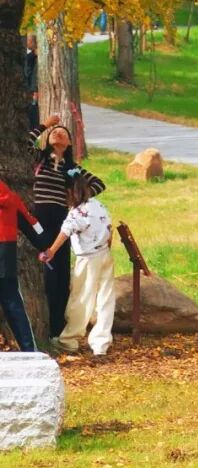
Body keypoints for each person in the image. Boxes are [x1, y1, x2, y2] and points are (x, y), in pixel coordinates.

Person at [29, 118, 106, 343]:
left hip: (62, 220)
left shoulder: (72, 169)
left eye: (64, 133)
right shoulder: (39, 159)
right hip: (39, 217)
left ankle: (57, 327)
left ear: (70, 142)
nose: (59, 134)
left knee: (60, 272)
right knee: (40, 266)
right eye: (55, 132)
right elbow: (25, 143)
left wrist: (77, 198)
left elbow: (99, 184)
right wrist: (45, 125)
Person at [39, 178, 116, 358]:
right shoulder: (99, 205)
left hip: (87, 259)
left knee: (81, 298)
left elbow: (65, 233)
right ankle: (101, 343)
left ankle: (69, 340)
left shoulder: (77, 212)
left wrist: (50, 251)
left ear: (69, 193)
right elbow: (109, 231)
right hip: (105, 255)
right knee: (105, 299)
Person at [0, 176, 45, 351]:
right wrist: (46, 246)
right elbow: (30, 223)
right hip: (6, 259)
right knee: (13, 304)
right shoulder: (11, 198)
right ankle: (29, 349)